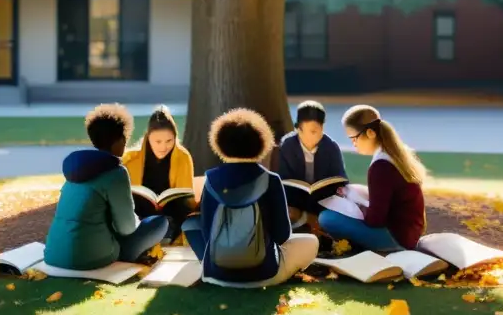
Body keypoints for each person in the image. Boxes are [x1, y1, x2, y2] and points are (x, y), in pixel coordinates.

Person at [181, 108, 319, 287]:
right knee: (311, 241)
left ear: (220, 142)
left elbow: (208, 234)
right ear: (261, 142)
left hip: (216, 275)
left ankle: (212, 269)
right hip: (264, 274)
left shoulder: (210, 180)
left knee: (190, 224)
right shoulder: (271, 180)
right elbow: (282, 235)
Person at [43, 103, 169, 270]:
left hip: (54, 254)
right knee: (160, 223)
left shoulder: (77, 168)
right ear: (121, 140)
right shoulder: (115, 172)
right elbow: (127, 228)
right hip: (92, 258)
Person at [317, 104, 427, 254]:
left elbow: (375, 220)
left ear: (370, 133)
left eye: (354, 138)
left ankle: (367, 249)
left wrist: (356, 206)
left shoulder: (381, 166)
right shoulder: (393, 155)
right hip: (409, 233)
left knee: (327, 218)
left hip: (397, 239)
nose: (353, 144)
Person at [121, 105, 195, 237]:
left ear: (175, 138)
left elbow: (187, 199)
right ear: (148, 138)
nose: (163, 147)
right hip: (138, 219)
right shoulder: (130, 158)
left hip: (169, 220)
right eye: (158, 141)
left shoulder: (183, 158)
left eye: (169, 141)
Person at [276, 101, 348, 222]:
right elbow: (283, 179)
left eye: (320, 130)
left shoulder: (331, 147)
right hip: (295, 202)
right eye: (312, 131)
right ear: (299, 129)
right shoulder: (288, 146)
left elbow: (340, 178)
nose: (317, 135)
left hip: (323, 201)